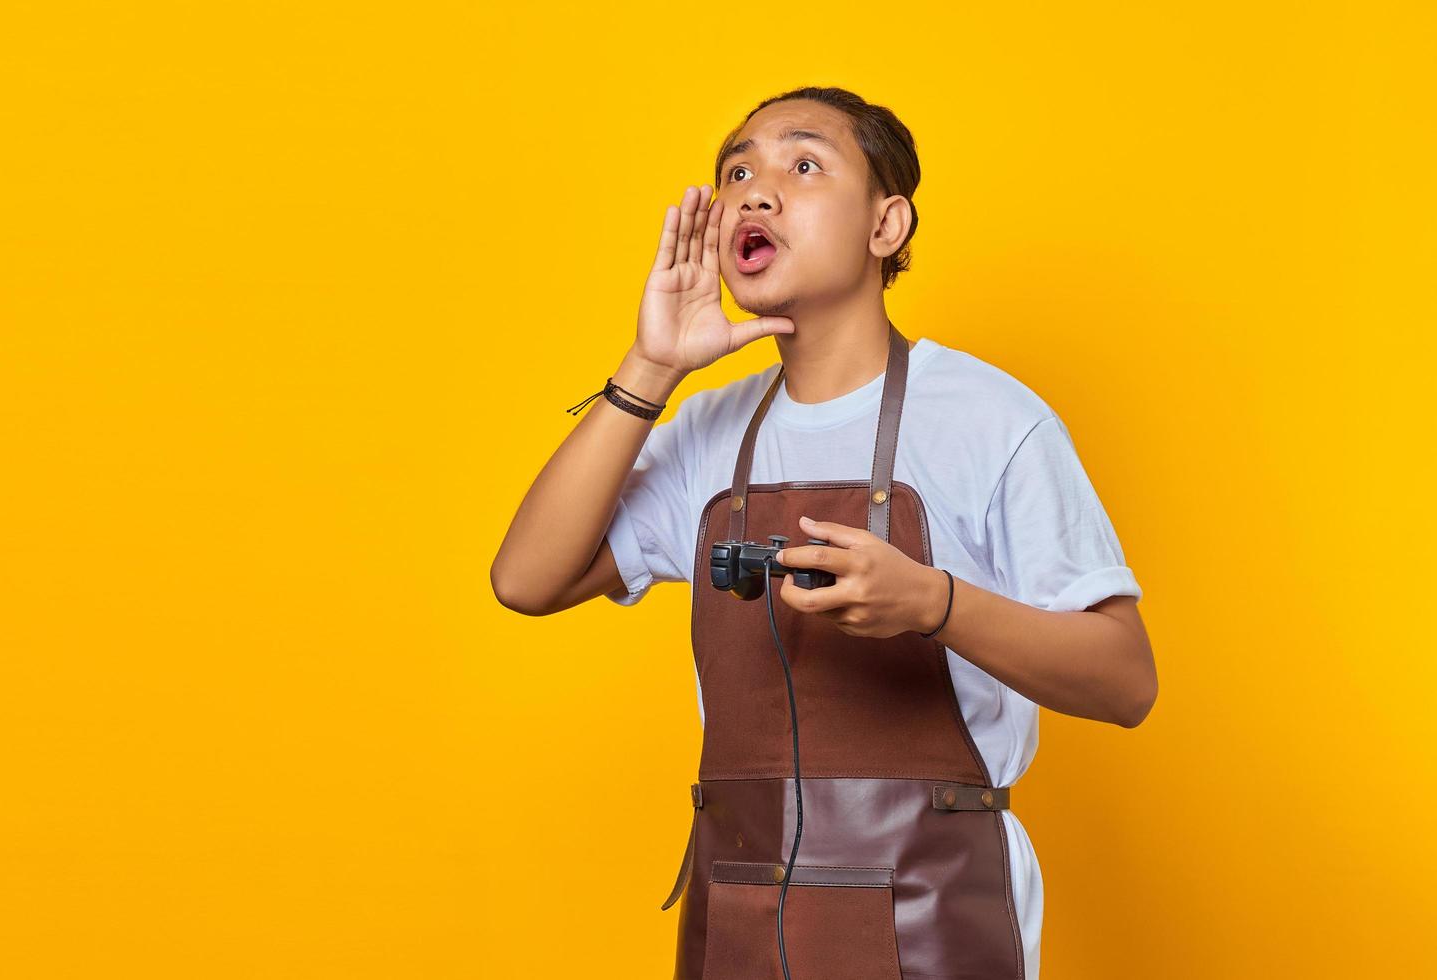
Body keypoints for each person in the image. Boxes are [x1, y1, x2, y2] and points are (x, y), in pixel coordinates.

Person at [491, 85, 1157, 980]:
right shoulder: (704, 432)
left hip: (932, 913)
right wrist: (651, 366)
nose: (754, 193)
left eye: (803, 166)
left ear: (887, 227)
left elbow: (1125, 680)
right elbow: (525, 580)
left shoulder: (992, 419)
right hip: (737, 909)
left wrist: (934, 602)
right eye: (737, 171)